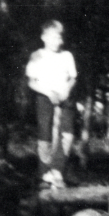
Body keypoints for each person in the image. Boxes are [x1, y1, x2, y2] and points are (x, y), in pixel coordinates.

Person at [26, 20, 76, 188]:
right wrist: (48, 93)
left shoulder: (67, 56)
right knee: (45, 134)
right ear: (44, 37)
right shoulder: (36, 56)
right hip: (45, 98)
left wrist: (66, 90)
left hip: (64, 98)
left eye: (59, 38)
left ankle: (58, 172)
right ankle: (45, 174)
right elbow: (32, 82)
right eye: (53, 38)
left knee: (67, 134)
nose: (58, 41)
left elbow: (72, 78)